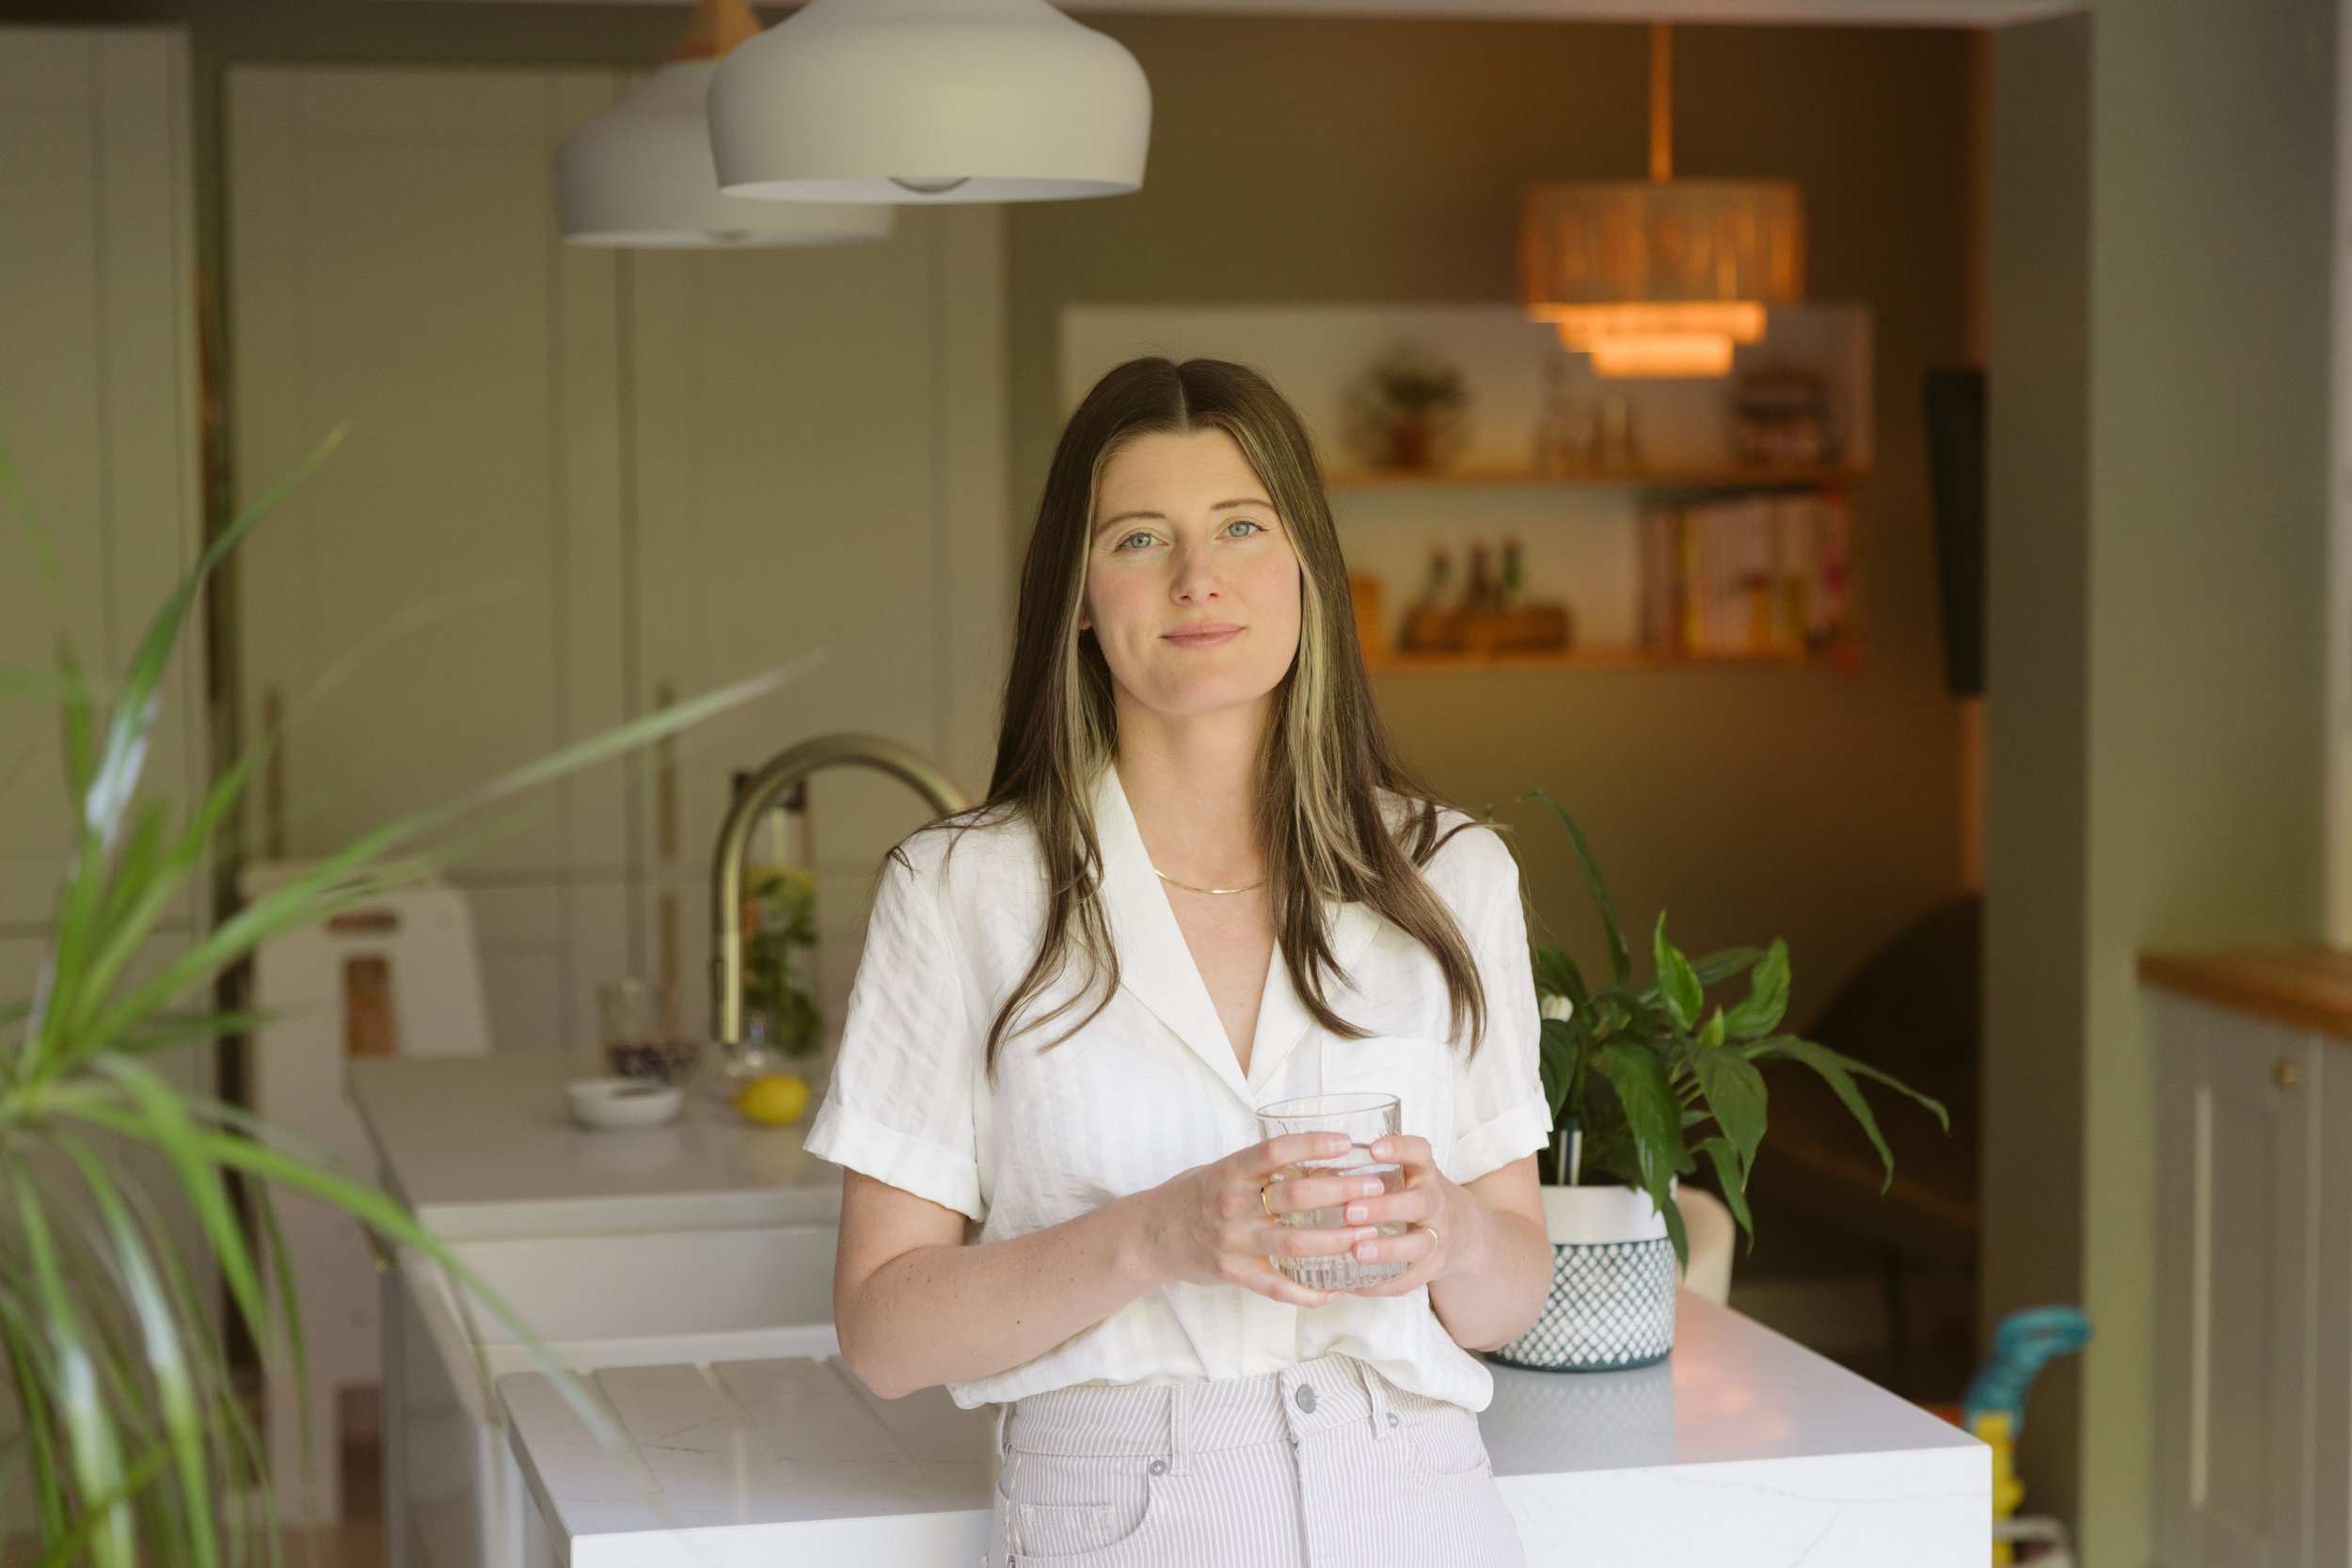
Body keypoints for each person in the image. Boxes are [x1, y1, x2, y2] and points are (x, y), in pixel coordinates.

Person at [803, 356, 1552, 1567]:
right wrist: (1155, 1235)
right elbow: (884, 1329)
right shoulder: (958, 894)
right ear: (1080, 598)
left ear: (1306, 568)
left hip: (1420, 1504)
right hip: (1120, 1511)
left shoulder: (1450, 873)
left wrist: (1454, 1232)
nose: (1197, 577)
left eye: (1241, 525)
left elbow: (1508, 1287)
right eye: (1139, 536)